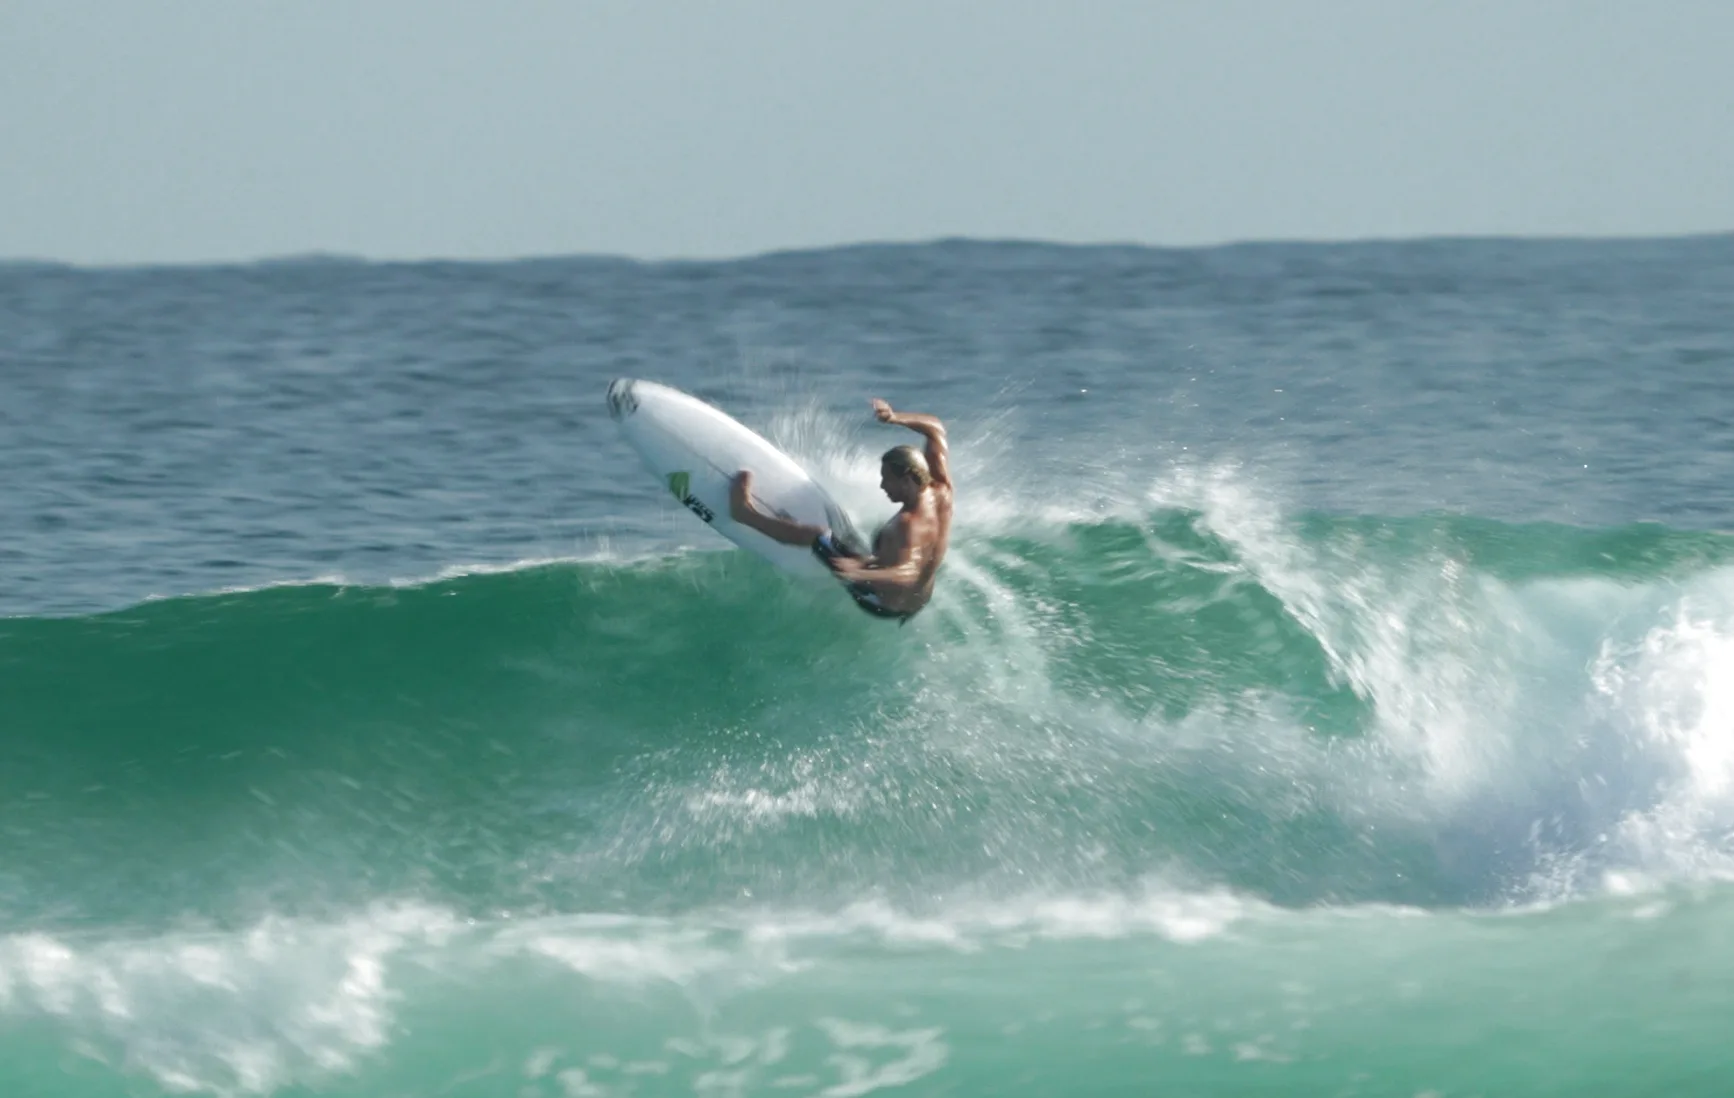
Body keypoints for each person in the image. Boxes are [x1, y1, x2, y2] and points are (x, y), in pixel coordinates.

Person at [729, 398, 953, 622]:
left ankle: (745, 513)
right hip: (918, 601)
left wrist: (858, 573)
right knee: (854, 540)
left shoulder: (908, 524)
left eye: (887, 479)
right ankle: (790, 527)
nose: (882, 486)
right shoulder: (942, 491)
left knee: (817, 535)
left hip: (882, 602)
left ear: (906, 479)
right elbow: (935, 429)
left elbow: (910, 573)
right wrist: (894, 417)